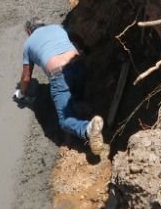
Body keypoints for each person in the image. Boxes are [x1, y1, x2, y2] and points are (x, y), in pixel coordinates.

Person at [15, 20, 104, 155]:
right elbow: (75, 37)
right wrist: (84, 48)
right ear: (43, 25)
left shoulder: (28, 44)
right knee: (76, 95)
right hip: (79, 65)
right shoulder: (58, 27)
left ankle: (88, 129)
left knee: (65, 120)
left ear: (29, 32)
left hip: (59, 74)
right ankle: (85, 109)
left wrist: (21, 94)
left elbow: (26, 77)